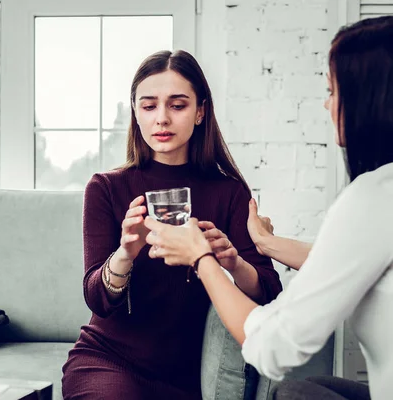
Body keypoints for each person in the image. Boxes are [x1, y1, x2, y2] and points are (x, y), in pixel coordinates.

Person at [143, 16, 393, 400]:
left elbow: (273, 347)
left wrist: (201, 259)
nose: (326, 105)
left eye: (332, 91)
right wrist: (265, 242)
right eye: (148, 105)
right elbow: (352, 262)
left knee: (292, 394)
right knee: (306, 389)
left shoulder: (374, 196)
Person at [61, 49, 282, 399]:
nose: (161, 118)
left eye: (177, 105)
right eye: (148, 106)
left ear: (200, 112)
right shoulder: (106, 187)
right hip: (108, 361)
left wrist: (233, 263)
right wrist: (124, 254)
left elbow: (269, 291)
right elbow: (97, 301)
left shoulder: (228, 191)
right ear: (135, 113)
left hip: (186, 375)